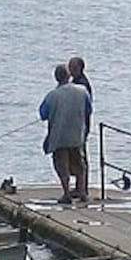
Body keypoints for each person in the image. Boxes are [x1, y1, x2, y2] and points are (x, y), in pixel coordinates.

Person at [39, 64, 92, 204]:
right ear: (68, 76)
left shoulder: (52, 95)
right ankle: (82, 193)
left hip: (59, 136)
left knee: (62, 165)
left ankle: (67, 194)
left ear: (56, 78)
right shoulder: (82, 91)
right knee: (79, 165)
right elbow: (89, 108)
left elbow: (43, 114)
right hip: (77, 134)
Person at [67, 56, 93, 200]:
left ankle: (82, 188)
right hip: (77, 124)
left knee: (80, 156)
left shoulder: (82, 84)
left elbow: (86, 108)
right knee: (76, 155)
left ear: (79, 69)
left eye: (73, 67)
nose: (70, 70)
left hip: (81, 124)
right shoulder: (75, 82)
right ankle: (79, 187)